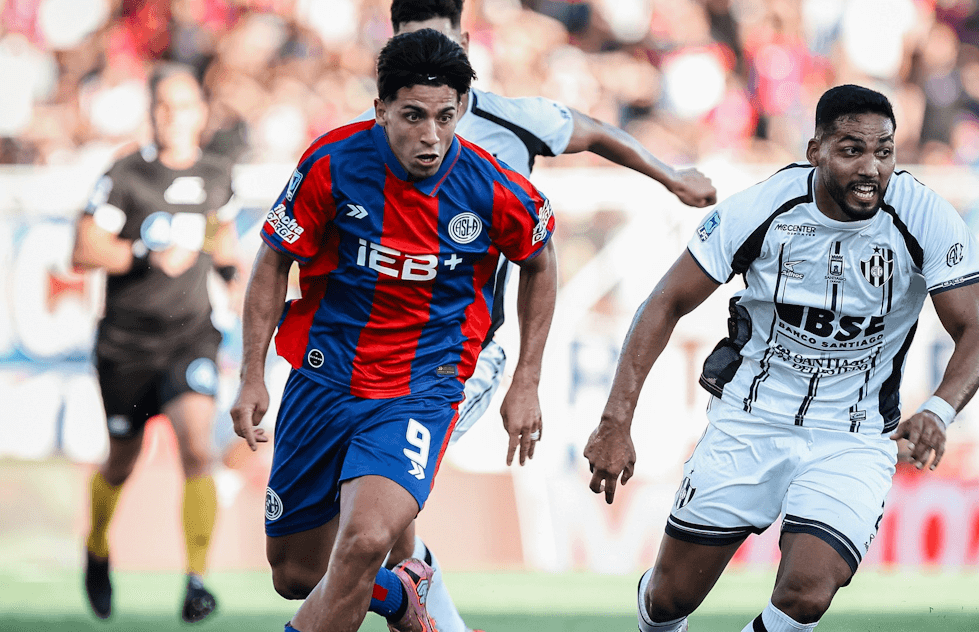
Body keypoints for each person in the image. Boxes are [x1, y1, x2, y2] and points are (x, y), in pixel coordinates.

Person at [349, 3, 718, 631]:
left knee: (373, 507)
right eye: (412, 46)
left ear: (466, 43)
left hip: (459, 355)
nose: (429, 65)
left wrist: (669, 175)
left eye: (440, 43)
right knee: (358, 524)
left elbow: (593, 132)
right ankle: (423, 610)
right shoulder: (373, 138)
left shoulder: (511, 121)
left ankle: (413, 607)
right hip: (373, 352)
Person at [584, 85, 979, 632]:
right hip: (749, 422)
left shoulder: (925, 217)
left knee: (806, 594)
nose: (871, 168)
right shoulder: (761, 208)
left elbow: (978, 330)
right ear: (815, 151)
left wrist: (939, 410)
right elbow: (664, 304)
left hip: (853, 436)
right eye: (851, 150)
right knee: (670, 598)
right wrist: (615, 421)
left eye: (884, 151)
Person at [230, 29, 557, 632]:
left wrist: (527, 378)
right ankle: (401, 595)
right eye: (413, 116)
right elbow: (273, 260)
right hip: (323, 380)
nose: (431, 135)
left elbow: (540, 259)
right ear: (381, 109)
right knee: (297, 575)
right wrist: (253, 373)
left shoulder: (491, 187)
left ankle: (388, 582)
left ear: (461, 109)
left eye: (445, 116)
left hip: (420, 390)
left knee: (364, 541)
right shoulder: (331, 163)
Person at [73, 63, 240, 623]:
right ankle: (97, 546)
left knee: (197, 446)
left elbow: (221, 237)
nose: (174, 117)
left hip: (190, 337)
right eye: (165, 106)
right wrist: (144, 254)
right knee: (122, 460)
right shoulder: (126, 173)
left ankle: (197, 580)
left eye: (184, 105)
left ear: (202, 113)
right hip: (126, 344)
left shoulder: (218, 174)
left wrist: (236, 277)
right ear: (151, 112)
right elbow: (84, 248)